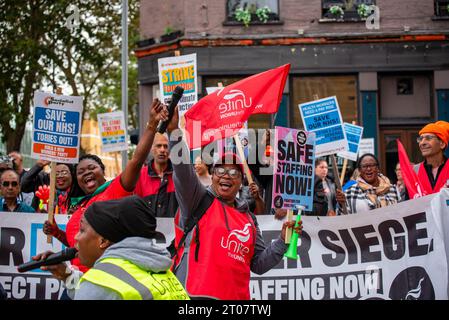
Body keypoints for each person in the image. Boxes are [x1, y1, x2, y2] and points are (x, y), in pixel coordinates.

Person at [166, 107, 301, 300]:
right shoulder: (197, 200)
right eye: (220, 171)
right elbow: (182, 172)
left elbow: (259, 265)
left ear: (241, 181)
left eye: (233, 173)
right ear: (212, 175)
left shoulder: (249, 220)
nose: (226, 177)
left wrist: (283, 241)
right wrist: (174, 133)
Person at [43, 99, 169, 273]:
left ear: (103, 171)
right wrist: (57, 233)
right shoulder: (79, 207)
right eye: (80, 171)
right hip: (75, 279)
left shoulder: (116, 191)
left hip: (104, 279)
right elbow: (77, 244)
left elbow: (136, 161)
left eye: (91, 168)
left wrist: (152, 124)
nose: (86, 172)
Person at [32, 196, 189, 300]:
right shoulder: (162, 271)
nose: (76, 238)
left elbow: (100, 291)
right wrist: (66, 275)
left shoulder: (101, 283)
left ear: (103, 240)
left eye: (82, 230)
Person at [336, 153, 401, 214]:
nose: (369, 169)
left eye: (372, 165)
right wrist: (341, 204)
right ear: (359, 170)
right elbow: (343, 220)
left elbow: (401, 213)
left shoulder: (393, 189)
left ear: (378, 168)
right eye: (364, 166)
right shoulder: (349, 193)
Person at [134, 133, 178, 217]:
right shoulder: (141, 176)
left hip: (175, 229)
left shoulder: (178, 174)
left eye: (166, 146)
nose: (162, 150)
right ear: (152, 149)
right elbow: (137, 209)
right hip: (149, 229)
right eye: (158, 146)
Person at [414, 121, 449, 194]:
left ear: (442, 144)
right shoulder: (414, 171)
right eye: (420, 139)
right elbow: (407, 202)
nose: (422, 143)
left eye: (428, 138)